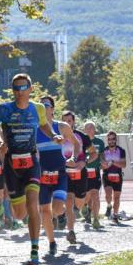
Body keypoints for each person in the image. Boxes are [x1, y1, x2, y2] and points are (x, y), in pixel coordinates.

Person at [0, 73, 60, 265]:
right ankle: (13, 216)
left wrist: (54, 135)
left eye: (23, 88)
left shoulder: (37, 108)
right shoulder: (3, 109)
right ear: (13, 91)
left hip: (31, 162)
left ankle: (35, 250)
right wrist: (0, 142)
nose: (20, 92)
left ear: (30, 89)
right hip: (12, 164)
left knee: (33, 202)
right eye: (16, 88)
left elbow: (45, 126)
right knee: (20, 214)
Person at [35, 95, 78, 254]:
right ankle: (52, 242)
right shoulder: (34, 129)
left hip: (59, 173)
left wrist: (73, 157)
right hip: (42, 174)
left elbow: (77, 144)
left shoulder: (62, 127)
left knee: (58, 209)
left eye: (47, 105)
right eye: (41, 105)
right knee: (44, 211)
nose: (44, 107)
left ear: (52, 109)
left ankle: (60, 216)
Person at [60, 110, 91, 242]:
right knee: (68, 201)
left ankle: (79, 208)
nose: (67, 123)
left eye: (70, 121)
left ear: (73, 122)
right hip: (65, 172)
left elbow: (93, 153)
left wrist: (85, 161)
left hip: (80, 173)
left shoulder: (82, 136)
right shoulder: (57, 137)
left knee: (79, 202)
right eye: (65, 121)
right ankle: (71, 231)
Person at [81, 120, 106, 229]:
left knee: (95, 195)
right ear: (84, 130)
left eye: (92, 127)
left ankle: (96, 219)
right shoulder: (81, 141)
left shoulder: (100, 142)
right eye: (87, 127)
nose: (90, 129)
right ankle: (84, 206)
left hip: (95, 172)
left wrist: (103, 162)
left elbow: (101, 155)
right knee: (87, 196)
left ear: (95, 130)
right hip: (84, 171)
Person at [101, 131, 127, 222]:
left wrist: (112, 162)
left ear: (116, 139)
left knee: (116, 197)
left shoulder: (121, 150)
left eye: (113, 139)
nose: (111, 141)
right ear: (107, 140)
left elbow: (123, 165)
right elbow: (102, 165)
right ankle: (109, 206)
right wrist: (109, 164)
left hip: (118, 175)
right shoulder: (104, 150)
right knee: (108, 194)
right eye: (109, 139)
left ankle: (115, 215)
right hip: (107, 175)